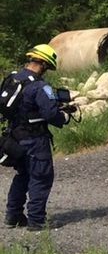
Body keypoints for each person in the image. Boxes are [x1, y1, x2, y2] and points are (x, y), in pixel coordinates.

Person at [3, 44, 74, 230]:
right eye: (47, 67)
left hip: (15, 137)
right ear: (42, 63)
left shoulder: (12, 79)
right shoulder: (40, 86)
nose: (46, 72)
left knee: (22, 175)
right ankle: (36, 220)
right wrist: (64, 116)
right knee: (41, 177)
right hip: (36, 140)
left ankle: (13, 215)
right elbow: (51, 113)